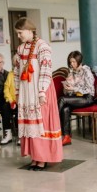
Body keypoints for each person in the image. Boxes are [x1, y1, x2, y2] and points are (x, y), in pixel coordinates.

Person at [14, 17, 63, 170]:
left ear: (29, 30)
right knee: (30, 121)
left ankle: (42, 158)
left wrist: (42, 91)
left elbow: (46, 70)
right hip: (26, 92)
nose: (18, 36)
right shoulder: (21, 48)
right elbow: (16, 71)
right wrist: (17, 91)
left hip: (40, 90)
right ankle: (35, 157)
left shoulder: (43, 46)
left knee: (41, 123)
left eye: (20, 33)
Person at [58, 51, 95, 146]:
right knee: (65, 109)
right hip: (76, 98)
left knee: (62, 99)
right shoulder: (72, 73)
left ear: (79, 61)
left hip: (87, 98)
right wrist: (67, 88)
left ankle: (54, 128)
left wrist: (74, 88)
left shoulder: (86, 71)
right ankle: (66, 137)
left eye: (74, 62)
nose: (71, 64)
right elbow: (68, 93)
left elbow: (90, 89)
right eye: (70, 62)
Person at [3, 54, 19, 145]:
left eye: (18, 60)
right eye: (15, 60)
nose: (16, 62)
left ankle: (21, 135)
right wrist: (10, 100)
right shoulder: (10, 74)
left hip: (21, 101)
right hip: (12, 100)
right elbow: (6, 88)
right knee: (5, 107)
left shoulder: (25, 73)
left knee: (19, 112)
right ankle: (8, 134)